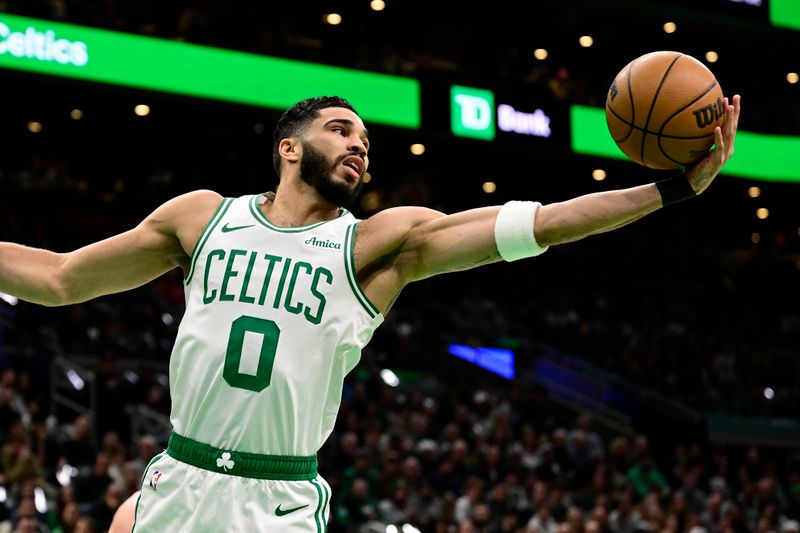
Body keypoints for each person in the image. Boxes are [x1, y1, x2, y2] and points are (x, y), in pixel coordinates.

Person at [0, 94, 741, 531]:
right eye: (341, 130)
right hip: (177, 477)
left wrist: (672, 191)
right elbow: (60, 278)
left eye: (366, 140)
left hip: (277, 498)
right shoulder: (200, 219)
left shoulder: (380, 245)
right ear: (289, 148)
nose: (359, 145)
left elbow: (545, 222)